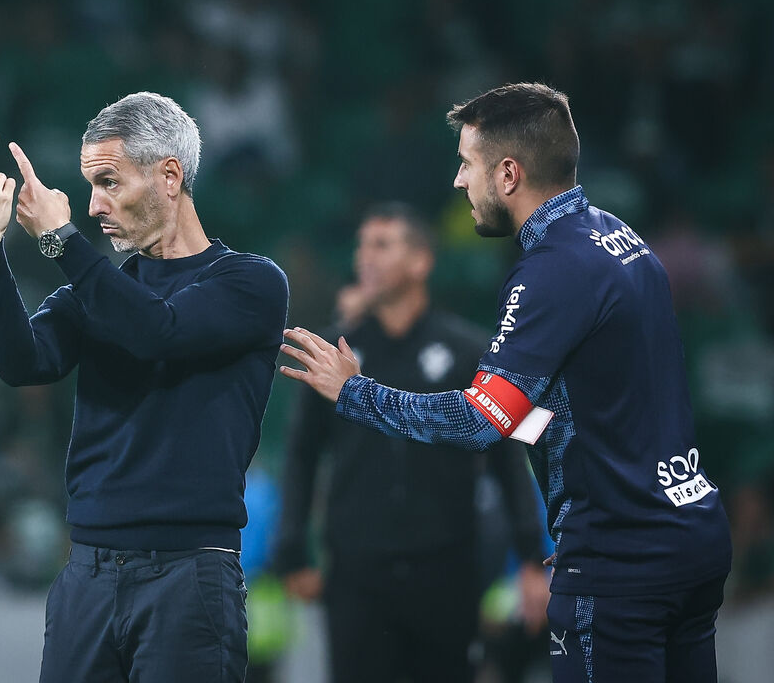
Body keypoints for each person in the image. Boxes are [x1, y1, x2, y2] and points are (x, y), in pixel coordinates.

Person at [279, 83, 732, 683]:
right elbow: (587, 406)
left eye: (468, 164)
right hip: (689, 530)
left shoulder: (550, 271)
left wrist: (355, 392)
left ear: (509, 174)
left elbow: (480, 422)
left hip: (621, 555)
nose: (459, 181)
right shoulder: (622, 241)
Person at [0, 91, 288, 683]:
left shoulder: (250, 283)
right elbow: (21, 361)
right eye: (91, 185)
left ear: (170, 177)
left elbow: (159, 331)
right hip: (86, 574)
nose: (93, 205)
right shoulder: (96, 292)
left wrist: (59, 240)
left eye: (109, 182)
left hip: (189, 575)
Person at [275, 202, 549, 683]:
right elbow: (301, 456)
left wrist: (531, 557)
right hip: (357, 573)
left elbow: (508, 458)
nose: (365, 257)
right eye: (362, 245)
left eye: (382, 245)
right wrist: (292, 547)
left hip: (446, 570)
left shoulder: (467, 350)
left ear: (421, 261)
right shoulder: (335, 352)